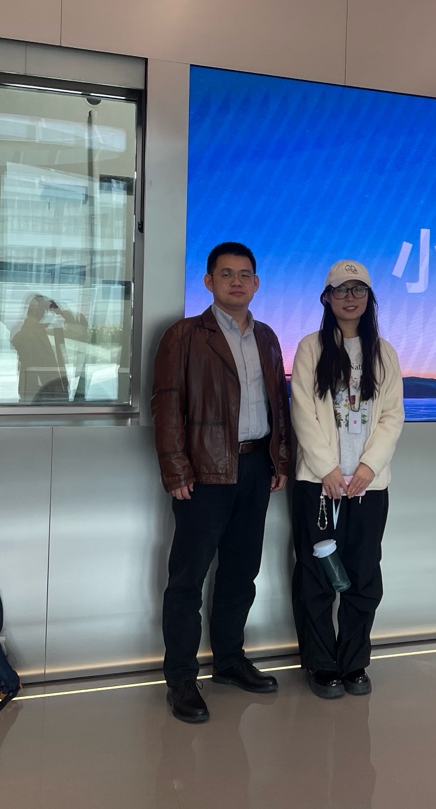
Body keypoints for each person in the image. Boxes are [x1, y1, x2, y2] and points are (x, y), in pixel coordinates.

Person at [151, 242, 292, 724]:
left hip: (255, 467)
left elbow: (278, 404)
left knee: (240, 573)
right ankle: (181, 679)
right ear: (209, 281)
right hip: (204, 472)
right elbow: (167, 404)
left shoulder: (267, 337)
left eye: (245, 274)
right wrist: (176, 469)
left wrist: (279, 457)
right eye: (226, 273)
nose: (236, 281)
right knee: (187, 580)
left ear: (256, 283)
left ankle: (229, 661)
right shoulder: (185, 335)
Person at [289, 260, 404, 699]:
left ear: (369, 298)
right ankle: (320, 664)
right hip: (318, 484)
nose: (350, 297)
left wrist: (368, 467)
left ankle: (354, 661)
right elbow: (302, 410)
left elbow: (392, 416)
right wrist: (327, 469)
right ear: (327, 297)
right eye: (341, 289)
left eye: (358, 289)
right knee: (316, 575)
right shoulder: (311, 347)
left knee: (363, 574)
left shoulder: (384, 353)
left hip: (368, 487)